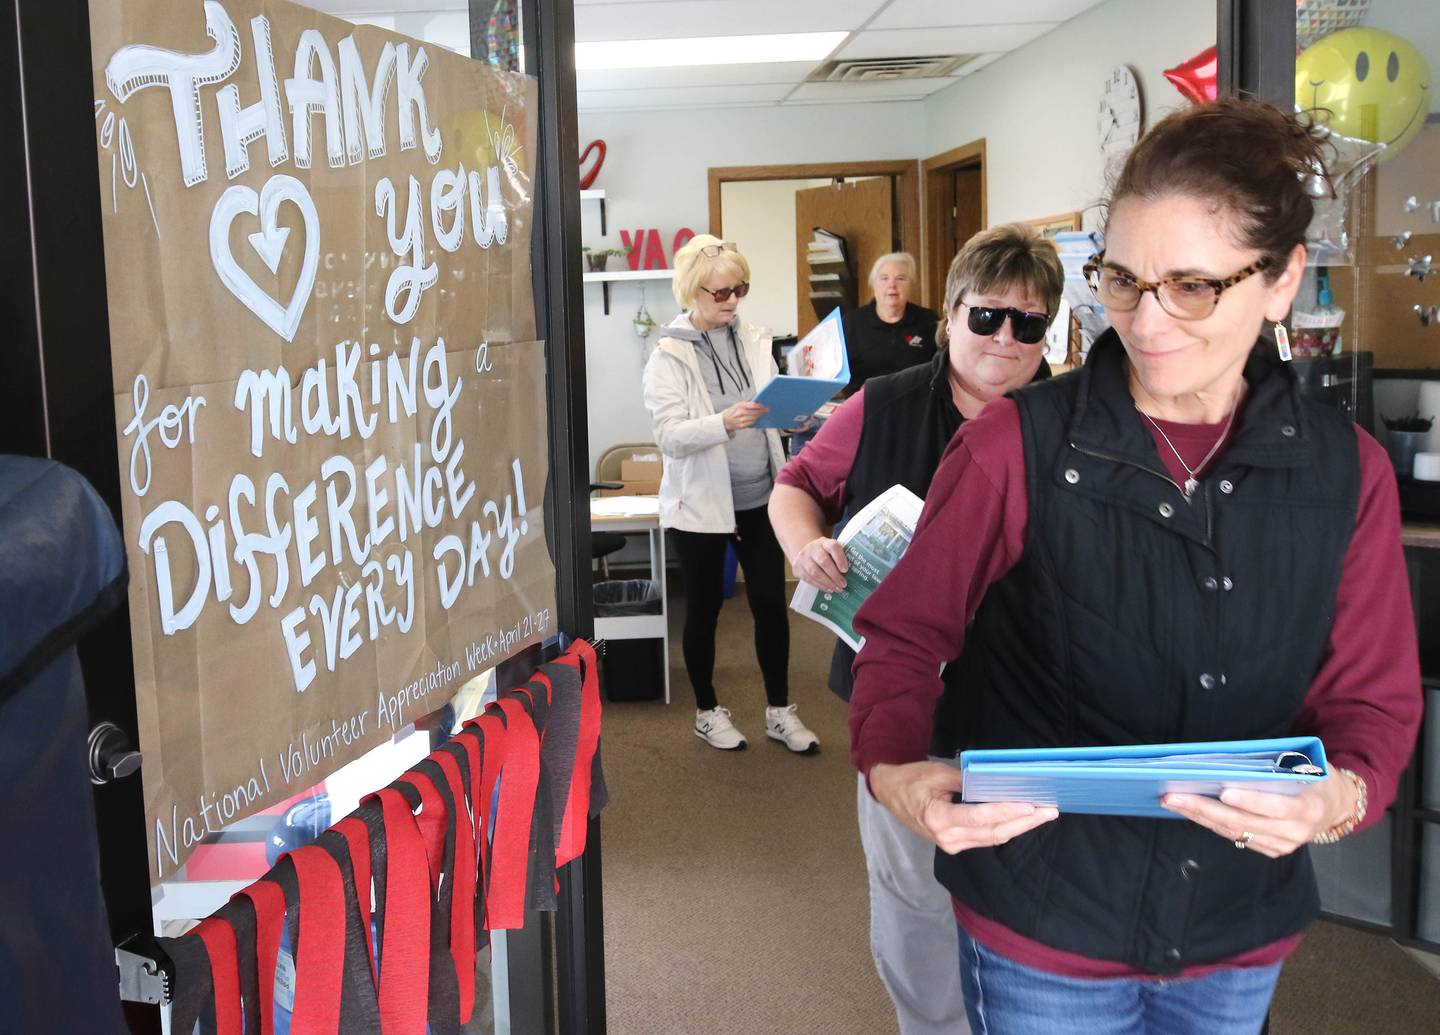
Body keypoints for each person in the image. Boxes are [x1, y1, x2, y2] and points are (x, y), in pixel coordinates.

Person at [848, 98, 1423, 1035]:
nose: (1147, 320)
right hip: (1044, 920)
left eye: (1193, 285)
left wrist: (1336, 797)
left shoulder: (1344, 470)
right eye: (1122, 280)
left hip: (1236, 924)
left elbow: (1373, 700)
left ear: (1281, 280)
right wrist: (896, 768)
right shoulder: (1012, 447)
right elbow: (904, 636)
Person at [770, 224, 1060, 1035]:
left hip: (1034, 703)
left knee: (1039, 901)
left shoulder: (1073, 420)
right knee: (917, 899)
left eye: (1029, 324)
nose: (1006, 339)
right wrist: (806, 544)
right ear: (952, 314)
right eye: (987, 316)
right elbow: (796, 485)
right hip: (909, 704)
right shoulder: (884, 402)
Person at [642, 234, 819, 754]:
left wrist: (796, 417)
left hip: (762, 496)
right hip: (699, 505)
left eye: (739, 289)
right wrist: (723, 422)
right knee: (704, 610)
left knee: (770, 603)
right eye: (720, 293)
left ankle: (780, 712)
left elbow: (770, 410)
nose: (732, 301)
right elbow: (670, 436)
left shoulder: (755, 339)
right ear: (692, 292)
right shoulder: (667, 356)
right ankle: (706, 710)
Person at [841, 252, 940, 395]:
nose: (892, 285)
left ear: (911, 285)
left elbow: (940, 370)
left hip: (916, 407)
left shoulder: (929, 320)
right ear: (873, 285)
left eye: (900, 278)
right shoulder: (852, 323)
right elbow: (838, 376)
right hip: (865, 407)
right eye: (884, 278)